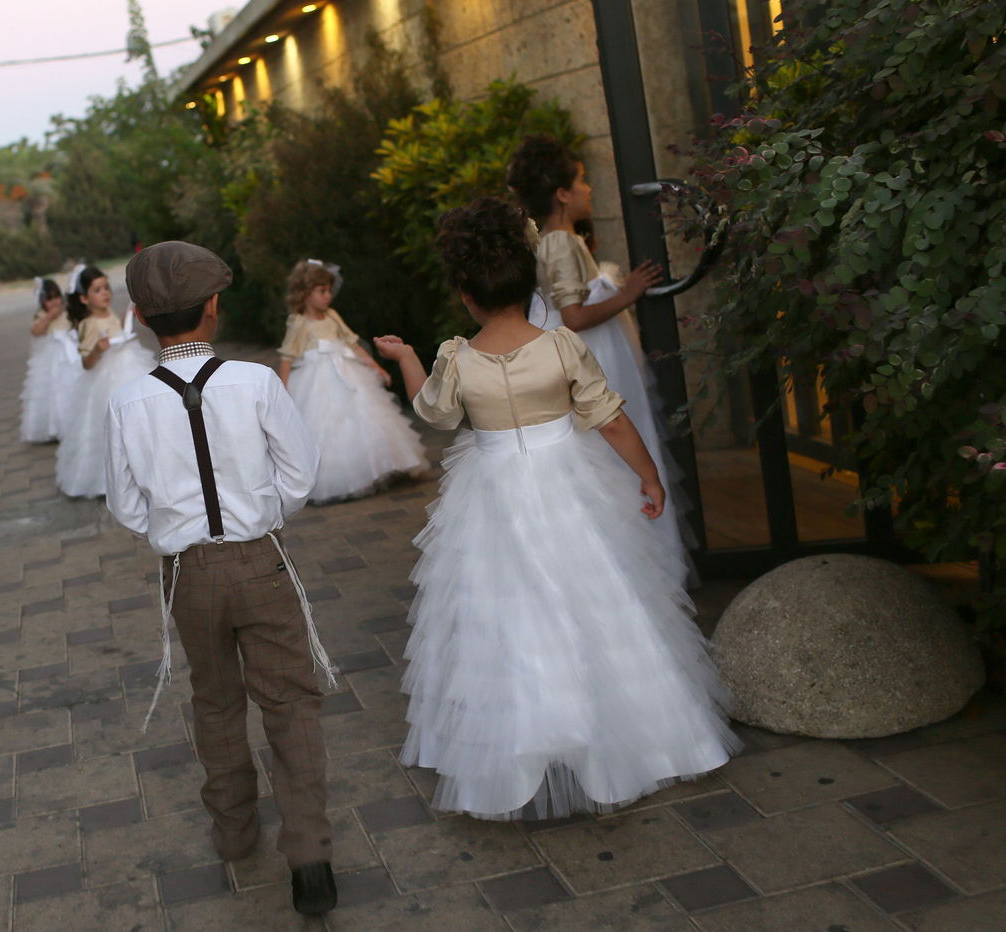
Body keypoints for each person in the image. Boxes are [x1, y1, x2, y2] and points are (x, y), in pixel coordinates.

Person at [372, 197, 738, 821]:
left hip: (491, 496)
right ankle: (632, 735)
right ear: (528, 279)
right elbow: (610, 418)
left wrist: (406, 358)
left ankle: (523, 737)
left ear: (465, 292)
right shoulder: (563, 346)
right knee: (598, 596)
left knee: (506, 609)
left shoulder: (457, 357)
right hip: (573, 485)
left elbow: (435, 413)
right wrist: (648, 475)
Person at [104, 241, 338, 916]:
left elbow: (125, 506)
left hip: (189, 576)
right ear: (213, 307)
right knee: (290, 701)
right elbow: (299, 475)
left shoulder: (126, 403)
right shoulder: (258, 382)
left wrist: (173, 535)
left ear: (143, 315)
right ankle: (310, 854)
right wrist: (259, 516)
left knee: (216, 701)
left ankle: (235, 833)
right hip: (262, 561)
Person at [509, 134, 697, 585]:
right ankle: (640, 560)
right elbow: (572, 316)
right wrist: (629, 292)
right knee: (616, 443)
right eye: (583, 180)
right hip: (596, 357)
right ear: (562, 193)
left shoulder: (564, 239)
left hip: (602, 353)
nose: (590, 189)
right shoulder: (559, 243)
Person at [276, 259, 427, 503]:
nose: (328, 297)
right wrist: (282, 390)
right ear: (305, 293)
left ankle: (380, 466)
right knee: (328, 427)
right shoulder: (299, 322)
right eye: (322, 291)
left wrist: (377, 367)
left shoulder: (333, 316)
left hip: (348, 374)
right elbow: (287, 357)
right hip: (317, 382)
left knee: (368, 418)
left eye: (328, 290)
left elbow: (352, 344)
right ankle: (338, 478)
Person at [55, 263, 156, 497]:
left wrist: (123, 324)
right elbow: (86, 363)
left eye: (106, 287)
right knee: (112, 424)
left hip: (129, 366)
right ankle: (109, 478)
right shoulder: (88, 324)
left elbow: (117, 336)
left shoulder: (109, 313)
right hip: (106, 378)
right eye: (97, 290)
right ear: (83, 298)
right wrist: (98, 350)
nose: (105, 293)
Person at [18, 277, 80, 444]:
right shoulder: (41, 316)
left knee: (71, 386)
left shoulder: (67, 312)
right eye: (49, 299)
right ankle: (54, 426)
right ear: (42, 301)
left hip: (69, 357)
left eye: (56, 297)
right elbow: (36, 331)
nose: (54, 302)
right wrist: (48, 318)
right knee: (53, 390)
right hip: (50, 359)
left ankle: (74, 423)